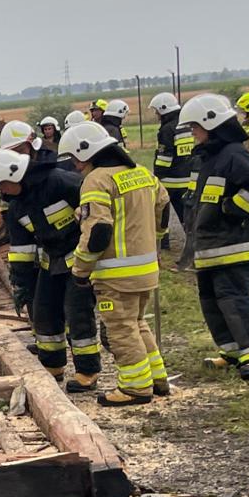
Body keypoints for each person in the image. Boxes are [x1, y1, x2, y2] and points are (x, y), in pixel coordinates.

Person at [61, 121, 171, 405]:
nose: (74, 166)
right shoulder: (142, 173)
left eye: (74, 158)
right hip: (146, 269)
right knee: (137, 324)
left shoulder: (97, 180)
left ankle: (135, 388)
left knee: (121, 330)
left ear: (85, 153)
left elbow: (97, 231)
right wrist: (153, 240)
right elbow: (164, 210)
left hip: (115, 274)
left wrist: (80, 269)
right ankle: (157, 379)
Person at [179, 94, 249, 379]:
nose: (192, 133)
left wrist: (232, 210)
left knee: (234, 298)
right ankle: (234, 351)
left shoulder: (233, 154)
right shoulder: (208, 158)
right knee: (212, 300)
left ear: (211, 124)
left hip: (232, 246)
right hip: (209, 247)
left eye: (195, 127)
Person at [0, 148, 98, 388]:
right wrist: (21, 283)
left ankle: (87, 373)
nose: (1, 192)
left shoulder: (61, 182)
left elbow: (96, 214)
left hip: (80, 259)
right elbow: (22, 248)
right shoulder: (16, 207)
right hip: (51, 261)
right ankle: (52, 366)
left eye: (2, 185)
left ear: (15, 175)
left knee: (78, 313)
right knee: (43, 311)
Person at [150, 92, 197, 250]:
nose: (156, 115)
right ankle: (195, 244)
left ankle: (164, 244)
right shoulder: (185, 124)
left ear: (163, 110)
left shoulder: (167, 129)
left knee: (161, 211)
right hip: (188, 178)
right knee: (187, 215)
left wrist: (157, 174)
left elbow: (165, 157)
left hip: (171, 181)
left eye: (157, 111)